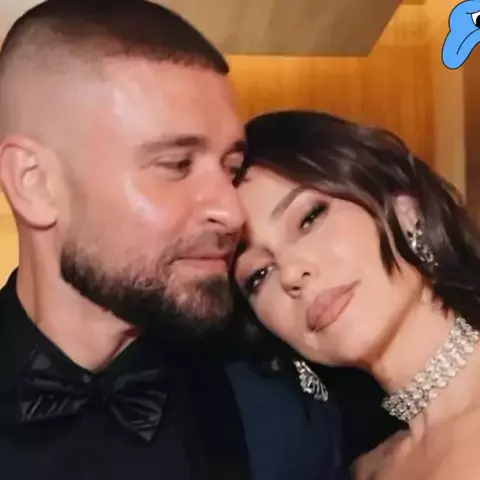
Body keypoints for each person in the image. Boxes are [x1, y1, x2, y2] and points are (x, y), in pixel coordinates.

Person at [0, 2, 347, 479]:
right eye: (177, 165)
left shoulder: (281, 414)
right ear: (35, 185)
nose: (231, 212)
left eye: (231, 170)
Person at [233, 109, 480, 480]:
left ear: (405, 210)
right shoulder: (364, 469)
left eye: (309, 218)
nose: (291, 273)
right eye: (258, 275)